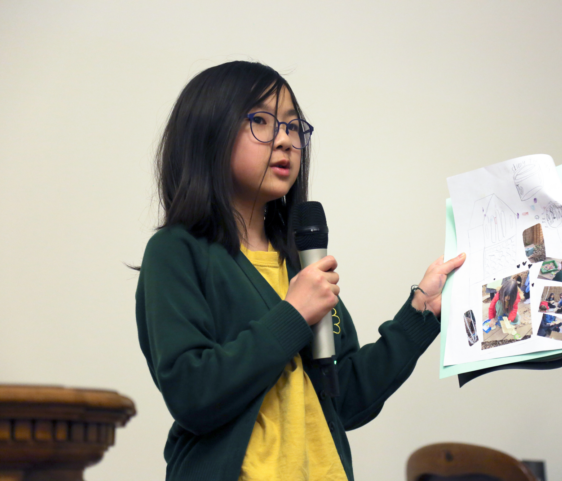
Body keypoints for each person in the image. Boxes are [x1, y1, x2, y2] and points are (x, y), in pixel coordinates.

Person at [134, 61, 465, 481]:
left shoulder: (300, 262)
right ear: (207, 133)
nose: (286, 140)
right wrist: (292, 316)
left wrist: (421, 312)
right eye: (261, 121)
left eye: (293, 127)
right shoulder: (177, 252)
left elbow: (344, 397)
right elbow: (192, 394)